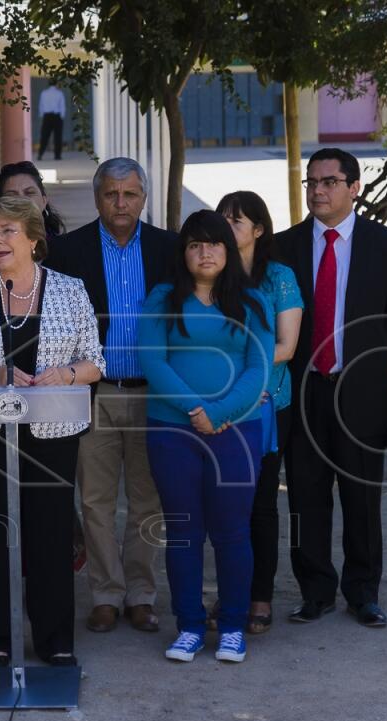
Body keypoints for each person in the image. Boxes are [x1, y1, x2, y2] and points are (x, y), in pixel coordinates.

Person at [0, 196, 105, 667]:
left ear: (34, 238)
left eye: (7, 231)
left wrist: (66, 375)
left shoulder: (70, 291)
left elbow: (95, 362)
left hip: (51, 432)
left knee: (49, 533)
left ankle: (54, 638)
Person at [275, 147, 387, 627]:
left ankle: (363, 591)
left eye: (329, 181)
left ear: (354, 187)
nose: (318, 190)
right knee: (305, 494)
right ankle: (314, 590)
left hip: (361, 388)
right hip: (303, 388)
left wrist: (363, 362)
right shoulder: (283, 246)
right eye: (311, 182)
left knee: (361, 494)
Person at [47, 157, 176, 635]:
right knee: (96, 500)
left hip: (153, 395)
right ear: (97, 196)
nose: (121, 203)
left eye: (130, 194)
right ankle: (105, 593)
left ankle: (141, 594)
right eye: (111, 194)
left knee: (148, 500)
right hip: (92, 393)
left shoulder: (169, 248)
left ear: (143, 197)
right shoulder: (67, 251)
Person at [140, 210, 273, 664]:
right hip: (172, 430)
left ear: (228, 249)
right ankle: (190, 626)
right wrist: (196, 411)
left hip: (237, 430)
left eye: (213, 243)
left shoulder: (253, 300)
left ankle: (232, 626)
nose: (205, 252)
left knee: (233, 532)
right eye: (195, 244)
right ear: (184, 253)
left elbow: (260, 369)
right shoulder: (162, 297)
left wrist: (217, 413)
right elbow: (153, 362)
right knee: (183, 532)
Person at [216, 191, 303, 635]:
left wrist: (236, 367)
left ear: (259, 230)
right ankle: (229, 594)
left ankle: (260, 597)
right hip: (217, 403)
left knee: (261, 504)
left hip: (267, 403)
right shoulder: (211, 275)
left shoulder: (280, 278)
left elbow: (287, 347)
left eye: (238, 221)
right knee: (223, 505)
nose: (228, 228)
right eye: (223, 220)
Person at [0, 161, 66, 263]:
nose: (21, 200)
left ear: (44, 200)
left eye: (29, 193)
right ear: (0, 203)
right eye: (12, 195)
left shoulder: (63, 246)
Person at [37, 83, 67, 160]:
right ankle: (57, 156)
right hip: (57, 116)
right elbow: (62, 105)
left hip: (47, 116)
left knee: (44, 136)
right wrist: (62, 116)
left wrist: (42, 115)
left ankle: (40, 154)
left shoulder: (44, 93)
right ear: (56, 84)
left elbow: (41, 104)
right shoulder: (59, 93)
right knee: (58, 137)